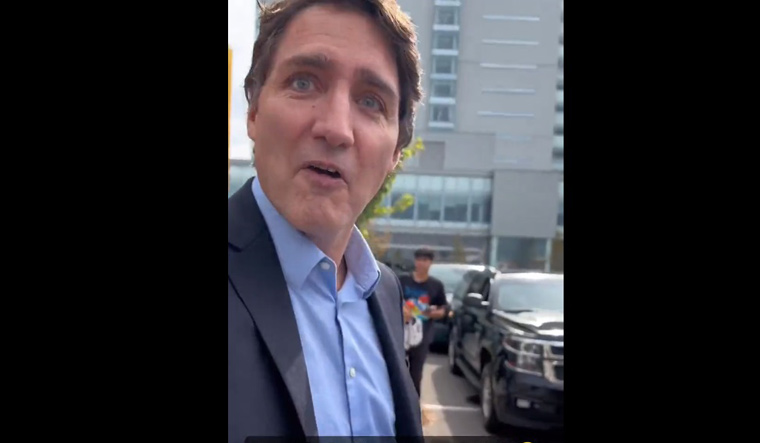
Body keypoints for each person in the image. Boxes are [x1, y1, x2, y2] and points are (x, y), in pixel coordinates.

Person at [227, 0, 423, 441]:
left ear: (396, 151)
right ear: (253, 111)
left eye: (371, 101)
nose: (336, 129)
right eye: (303, 82)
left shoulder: (384, 290)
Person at [399, 248, 448, 397]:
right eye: (419, 259)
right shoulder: (402, 281)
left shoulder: (436, 285)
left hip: (422, 333)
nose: (421, 263)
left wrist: (431, 313)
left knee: (415, 373)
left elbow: (443, 309)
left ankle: (413, 404)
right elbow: (390, 299)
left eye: (425, 260)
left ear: (430, 263)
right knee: (397, 368)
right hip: (400, 331)